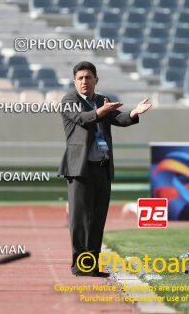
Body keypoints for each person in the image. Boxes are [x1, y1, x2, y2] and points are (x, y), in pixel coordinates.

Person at [58, 61, 151, 277]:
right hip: (80, 169)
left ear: (95, 80)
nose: (84, 81)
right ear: (74, 82)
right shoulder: (69, 100)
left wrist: (134, 113)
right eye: (80, 78)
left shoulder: (101, 100)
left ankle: (91, 266)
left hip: (102, 167)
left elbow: (117, 118)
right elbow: (83, 119)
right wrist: (101, 111)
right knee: (80, 220)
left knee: (98, 220)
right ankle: (79, 266)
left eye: (88, 77)